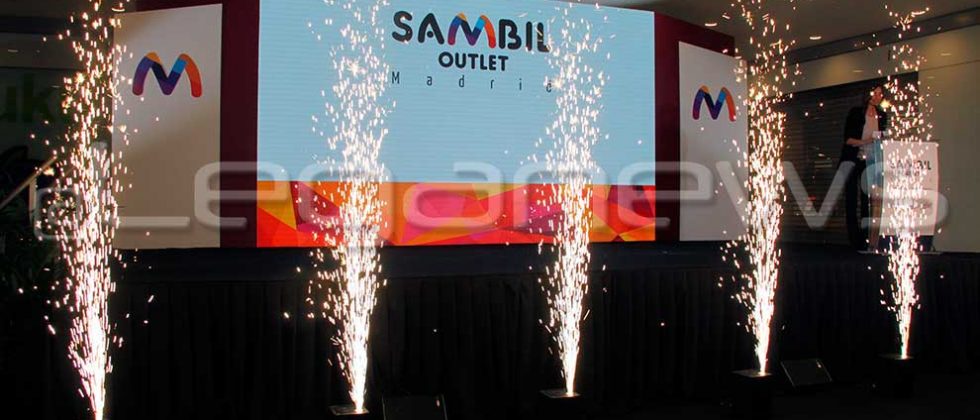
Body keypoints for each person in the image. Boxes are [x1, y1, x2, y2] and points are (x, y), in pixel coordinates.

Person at [841, 86, 888, 251]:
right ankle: (854, 240)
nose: (878, 96)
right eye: (875, 93)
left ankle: (866, 239)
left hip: (871, 161)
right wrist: (866, 141)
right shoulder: (856, 113)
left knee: (867, 199)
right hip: (853, 160)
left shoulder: (882, 115)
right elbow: (848, 139)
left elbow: (882, 136)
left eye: (880, 94)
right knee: (852, 200)